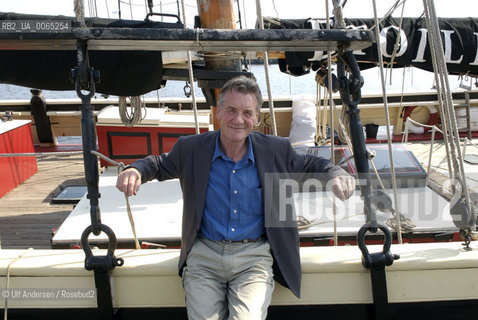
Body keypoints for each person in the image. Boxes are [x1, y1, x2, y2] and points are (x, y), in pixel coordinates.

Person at [116, 75, 355, 320]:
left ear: (257, 116)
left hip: (253, 259)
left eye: (247, 112)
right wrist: (135, 170)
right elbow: (158, 164)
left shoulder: (275, 150)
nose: (238, 120)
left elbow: (312, 163)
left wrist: (335, 173)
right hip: (204, 257)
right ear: (218, 112)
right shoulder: (191, 149)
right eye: (231, 110)